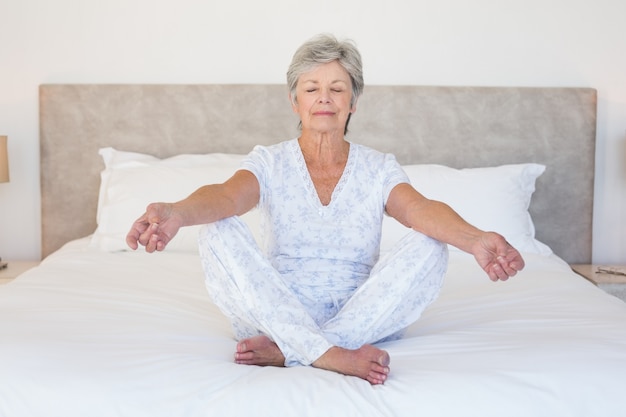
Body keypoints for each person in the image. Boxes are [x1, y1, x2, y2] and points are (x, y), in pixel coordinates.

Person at [126, 34, 524, 385]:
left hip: (360, 312)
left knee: (433, 243)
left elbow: (419, 208)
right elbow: (227, 196)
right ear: (294, 100)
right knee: (216, 227)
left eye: (337, 88)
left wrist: (475, 240)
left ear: (353, 103)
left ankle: (294, 350)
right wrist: (176, 211)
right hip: (273, 310)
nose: (324, 98)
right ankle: (333, 355)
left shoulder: (377, 166)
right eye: (311, 87)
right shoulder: (270, 161)